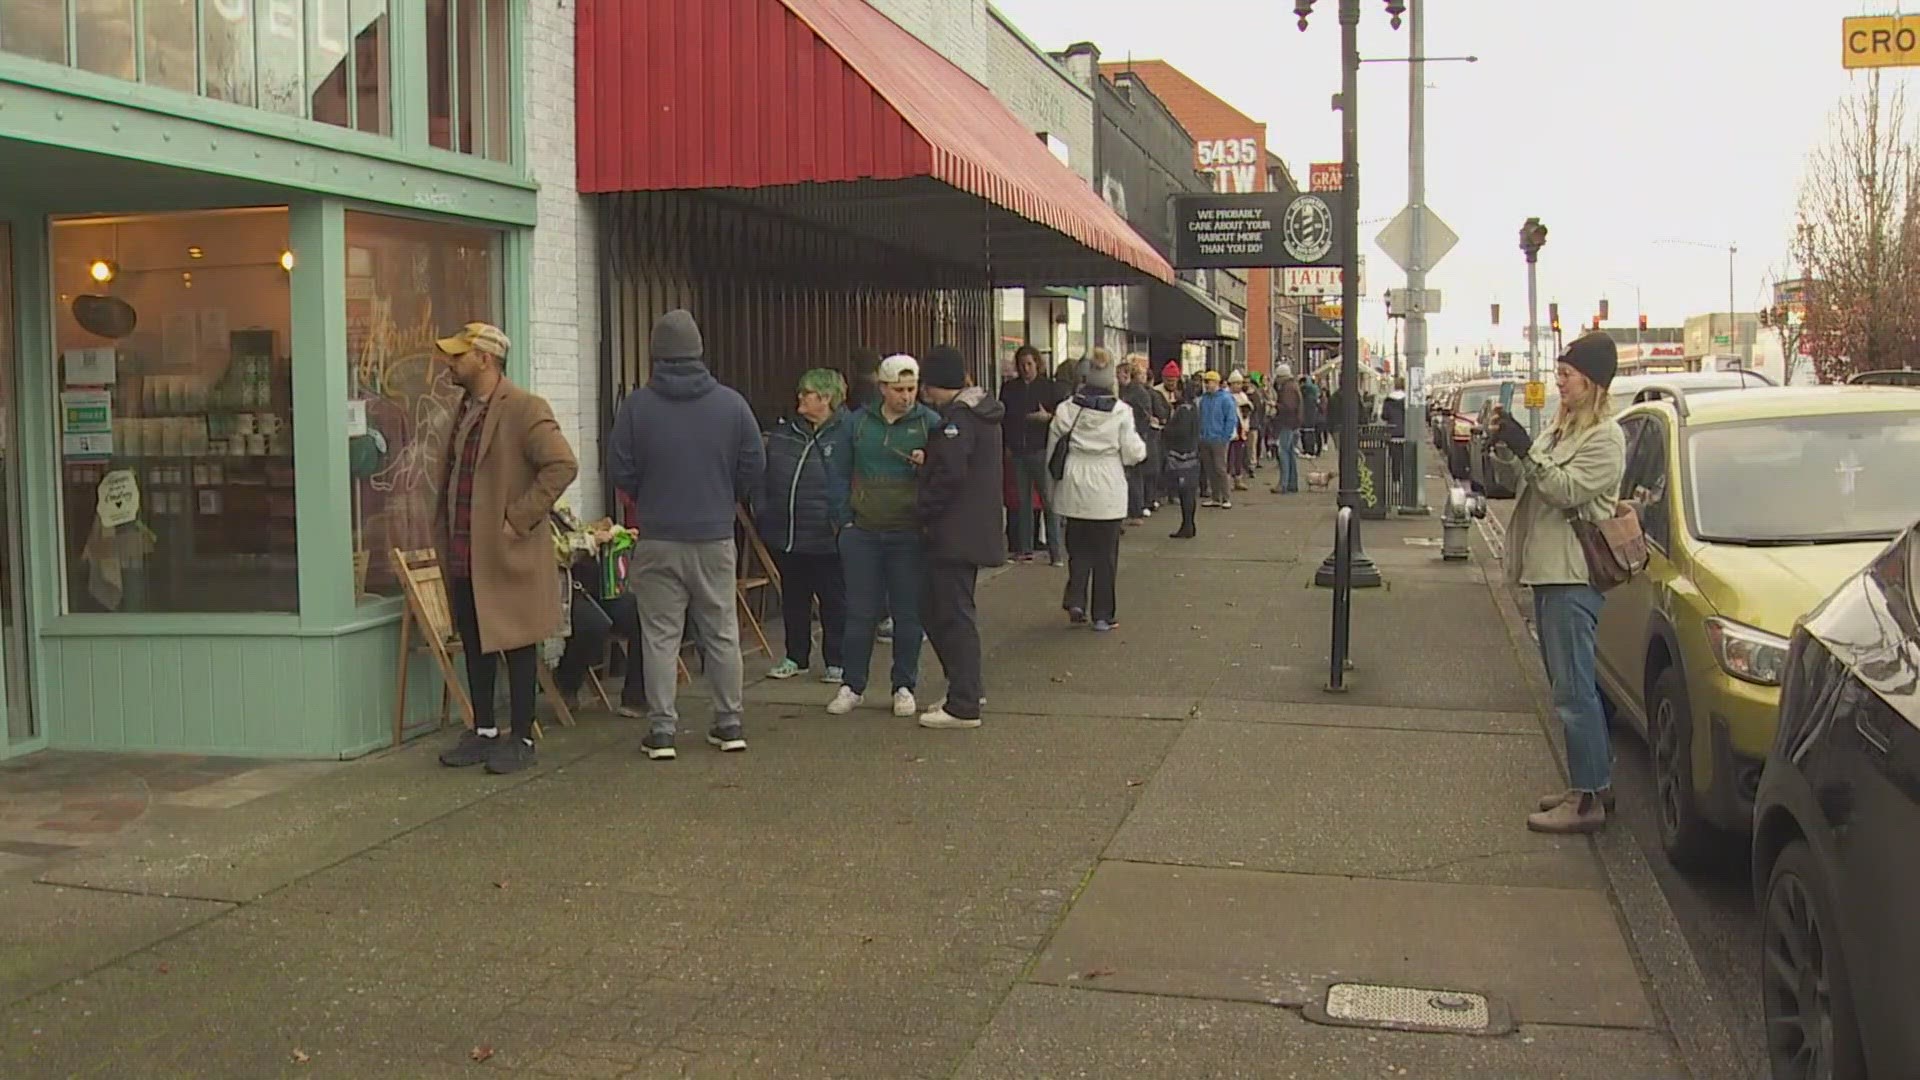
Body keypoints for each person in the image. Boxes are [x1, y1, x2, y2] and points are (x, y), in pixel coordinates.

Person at [608, 309, 766, 761]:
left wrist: (649, 498)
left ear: (656, 355)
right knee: (721, 629)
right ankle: (728, 721)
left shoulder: (637, 407)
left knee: (660, 634)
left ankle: (661, 731)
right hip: (714, 534)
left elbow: (620, 467)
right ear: (699, 351)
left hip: (658, 534)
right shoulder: (731, 404)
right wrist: (724, 496)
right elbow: (754, 464)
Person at [1490, 333, 1627, 834]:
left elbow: (1564, 489)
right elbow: (1525, 483)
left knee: (1574, 692)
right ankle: (1591, 783)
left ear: (1591, 382)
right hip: (1547, 571)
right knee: (1570, 686)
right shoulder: (1562, 431)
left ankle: (1587, 800)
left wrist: (1528, 452)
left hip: (1571, 576)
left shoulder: (1605, 438)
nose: (1559, 382)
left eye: (1567, 375)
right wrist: (1509, 449)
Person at [432, 322, 580, 776]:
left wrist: (518, 519)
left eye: (459, 356)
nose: (450, 364)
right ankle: (484, 731)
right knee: (475, 640)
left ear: (485, 358)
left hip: (503, 551)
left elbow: (562, 464)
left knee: (516, 643)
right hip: (465, 550)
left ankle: (521, 735)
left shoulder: (524, 408)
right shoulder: (463, 408)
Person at [825, 354, 940, 717]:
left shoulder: (930, 423)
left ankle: (903, 685)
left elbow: (948, 474)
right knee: (860, 611)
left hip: (908, 532)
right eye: (898, 390)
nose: (906, 397)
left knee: (908, 613)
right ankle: (852, 684)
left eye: (911, 389)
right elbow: (837, 471)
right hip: (863, 531)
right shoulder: (857, 424)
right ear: (883, 389)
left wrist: (928, 465)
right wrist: (844, 519)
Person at [914, 345, 1005, 730]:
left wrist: (922, 509)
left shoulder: (958, 420)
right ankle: (966, 687)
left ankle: (964, 701)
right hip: (973, 527)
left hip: (953, 530)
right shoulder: (981, 414)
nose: (923, 394)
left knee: (948, 613)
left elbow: (952, 474)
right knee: (945, 609)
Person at [760, 369, 850, 684]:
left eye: (807, 393)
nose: (800, 398)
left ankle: (837, 660)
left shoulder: (847, 433)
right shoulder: (786, 433)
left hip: (829, 536)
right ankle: (795, 656)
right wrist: (764, 509)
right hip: (788, 533)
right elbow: (764, 471)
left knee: (834, 600)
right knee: (794, 599)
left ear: (825, 399)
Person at [1049, 351, 1147, 631]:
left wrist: (1054, 484)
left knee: (1078, 549)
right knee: (1106, 555)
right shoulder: (1120, 412)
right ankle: (1103, 615)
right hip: (1108, 488)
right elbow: (1131, 452)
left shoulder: (1067, 408)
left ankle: (1076, 598)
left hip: (1074, 484)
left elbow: (1053, 449)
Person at [998, 344, 1064, 564]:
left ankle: (1056, 552)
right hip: (1018, 450)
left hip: (1041, 449)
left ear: (1037, 364)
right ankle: (1025, 548)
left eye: (1029, 364)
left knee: (1048, 502)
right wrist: (1007, 444)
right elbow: (1004, 419)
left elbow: (1062, 417)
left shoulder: (1049, 387)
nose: (1026, 368)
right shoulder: (1009, 389)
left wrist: (1048, 417)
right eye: (1022, 364)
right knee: (1023, 502)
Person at [1161, 374, 1202, 539]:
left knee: (1186, 493)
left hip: (1182, 456)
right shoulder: (1193, 408)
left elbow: (1181, 432)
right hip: (1192, 454)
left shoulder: (1183, 410)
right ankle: (1188, 525)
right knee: (1189, 493)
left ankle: (1187, 526)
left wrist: (1166, 429)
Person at [1117, 353, 1155, 525]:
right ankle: (1135, 510)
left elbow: (1142, 415)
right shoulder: (1133, 391)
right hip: (1135, 436)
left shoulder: (1134, 393)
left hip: (1134, 436)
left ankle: (1135, 511)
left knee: (1133, 476)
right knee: (1133, 476)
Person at [1197, 370, 1238, 509]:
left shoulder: (1226, 399)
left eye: (1208, 382)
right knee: (1210, 469)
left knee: (1220, 468)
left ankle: (1226, 497)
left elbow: (1231, 419)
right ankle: (1215, 497)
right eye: (1205, 382)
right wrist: (1201, 434)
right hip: (1205, 438)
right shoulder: (1204, 399)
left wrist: (1224, 436)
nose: (1206, 385)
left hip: (1219, 439)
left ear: (1216, 382)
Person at [1268, 363, 1305, 495]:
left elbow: (1288, 407)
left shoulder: (1287, 388)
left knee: (1283, 452)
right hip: (1293, 423)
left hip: (1287, 423)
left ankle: (1283, 484)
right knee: (1289, 453)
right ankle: (1292, 483)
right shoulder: (1293, 385)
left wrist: (1275, 405)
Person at [1382, 375, 1409, 492]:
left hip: (1392, 433)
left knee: (1395, 460)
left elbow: (1384, 416)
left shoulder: (1388, 400)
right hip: (1406, 432)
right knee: (1406, 459)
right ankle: (1407, 482)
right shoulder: (1407, 400)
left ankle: (1396, 482)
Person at [1300, 375, 1323, 457]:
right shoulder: (1314, 394)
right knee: (1312, 434)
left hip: (1309, 417)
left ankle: (1309, 450)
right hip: (1313, 417)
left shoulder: (1306, 395)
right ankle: (1311, 450)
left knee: (1308, 433)